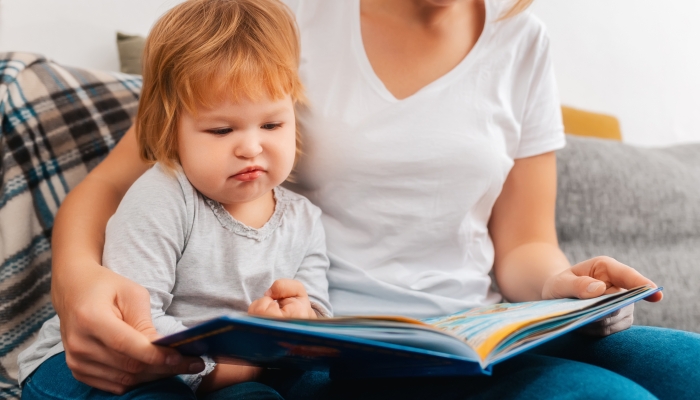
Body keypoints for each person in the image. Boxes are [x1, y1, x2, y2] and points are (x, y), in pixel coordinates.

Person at [44, 0, 700, 398]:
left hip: (472, 341)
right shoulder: (286, 16)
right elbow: (113, 182)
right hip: (329, 352)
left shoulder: (522, 41)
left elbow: (524, 244)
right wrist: (80, 285)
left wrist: (564, 281)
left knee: (688, 368)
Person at [18, 0, 332, 398]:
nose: (251, 147)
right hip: (106, 363)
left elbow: (319, 311)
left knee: (315, 383)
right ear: (171, 132)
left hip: (236, 368)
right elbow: (137, 322)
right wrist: (223, 369)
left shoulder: (303, 218)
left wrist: (301, 319)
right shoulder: (163, 197)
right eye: (221, 130)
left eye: (272, 124)